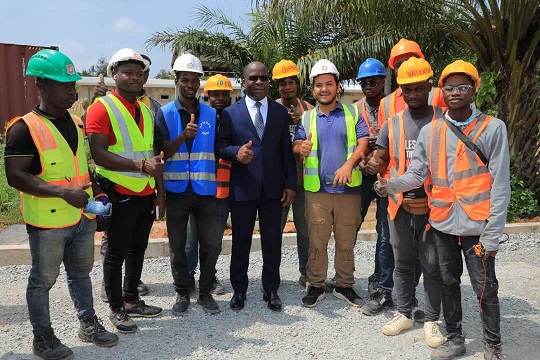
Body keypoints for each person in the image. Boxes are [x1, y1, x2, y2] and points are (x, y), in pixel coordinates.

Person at [376, 60, 509, 360]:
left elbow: (501, 185)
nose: (455, 92)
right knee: (448, 283)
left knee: (485, 288)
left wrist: (494, 234)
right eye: (449, 88)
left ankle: (493, 345)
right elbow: (417, 174)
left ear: (474, 90)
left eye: (463, 87)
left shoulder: (492, 128)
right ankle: (455, 338)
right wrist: (390, 186)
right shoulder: (432, 131)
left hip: (478, 226)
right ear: (442, 91)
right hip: (443, 223)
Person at [4, 49, 118, 359]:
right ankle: (42, 338)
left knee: (81, 274)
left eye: (72, 84)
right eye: (63, 85)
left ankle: (88, 325)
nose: (71, 90)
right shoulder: (23, 128)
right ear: (41, 85)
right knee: (42, 281)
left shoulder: (77, 122)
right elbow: (16, 176)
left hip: (82, 217)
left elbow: (82, 166)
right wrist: (62, 193)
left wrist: (99, 194)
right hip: (48, 223)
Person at [86, 48, 165, 333]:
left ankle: (132, 300)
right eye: (128, 72)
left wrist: (159, 192)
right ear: (114, 75)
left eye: (139, 73)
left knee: (138, 249)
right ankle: (116, 308)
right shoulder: (101, 107)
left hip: (144, 190)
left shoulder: (145, 109)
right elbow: (98, 153)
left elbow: (152, 153)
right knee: (116, 252)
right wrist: (139, 165)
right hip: (118, 190)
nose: (135, 77)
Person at [367, 57, 444, 348]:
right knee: (402, 265)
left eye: (418, 88)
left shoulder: (443, 119)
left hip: (434, 206)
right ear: (401, 90)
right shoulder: (393, 123)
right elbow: (382, 158)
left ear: (428, 86)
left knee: (432, 266)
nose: (413, 95)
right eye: (407, 90)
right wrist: (371, 164)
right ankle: (404, 313)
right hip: (400, 205)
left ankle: (433, 320)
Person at [216, 61, 296, 312]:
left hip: (273, 189)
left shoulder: (279, 112)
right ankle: (239, 290)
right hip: (243, 188)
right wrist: (236, 153)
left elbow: (285, 151)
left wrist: (290, 184)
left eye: (263, 77)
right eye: (253, 78)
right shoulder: (231, 113)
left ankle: (271, 289)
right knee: (241, 241)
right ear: (244, 82)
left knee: (272, 241)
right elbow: (220, 147)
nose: (259, 82)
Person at [293, 59, 370, 308]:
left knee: (346, 241)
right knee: (317, 240)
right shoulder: (306, 118)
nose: (323, 89)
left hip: (348, 190)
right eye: (318, 85)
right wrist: (299, 147)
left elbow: (363, 143)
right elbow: (297, 145)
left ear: (337, 86)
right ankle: (315, 284)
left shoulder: (352, 113)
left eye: (328, 84)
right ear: (313, 89)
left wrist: (349, 165)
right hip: (317, 192)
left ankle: (344, 285)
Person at [155, 53, 221, 315]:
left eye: (195, 80)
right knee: (179, 246)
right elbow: (161, 154)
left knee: (211, 244)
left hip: (205, 191)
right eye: (185, 80)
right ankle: (183, 292)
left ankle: (205, 292)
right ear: (176, 81)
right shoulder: (165, 113)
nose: (190, 85)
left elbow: (219, 148)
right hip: (177, 191)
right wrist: (183, 136)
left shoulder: (211, 114)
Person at [350, 58, 394, 315]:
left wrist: (380, 163)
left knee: (384, 231)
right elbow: (353, 140)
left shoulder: (393, 107)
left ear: (383, 82)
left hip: (387, 176)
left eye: (373, 81)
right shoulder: (355, 109)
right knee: (350, 225)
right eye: (364, 82)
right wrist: (365, 162)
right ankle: (345, 275)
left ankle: (380, 278)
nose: (369, 86)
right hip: (363, 174)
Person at [184, 74, 234, 296]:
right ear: (207, 95)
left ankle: (209, 276)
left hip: (222, 187)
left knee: (213, 240)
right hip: (196, 187)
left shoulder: (234, 119)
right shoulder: (199, 117)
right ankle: (187, 277)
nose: (220, 98)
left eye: (225, 94)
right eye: (216, 94)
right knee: (190, 238)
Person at [272, 59, 313, 288]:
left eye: (291, 82)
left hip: (304, 180)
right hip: (278, 182)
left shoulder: (309, 110)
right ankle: (273, 274)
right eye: (282, 83)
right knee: (274, 229)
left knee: (305, 230)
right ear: (277, 87)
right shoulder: (271, 109)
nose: (287, 87)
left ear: (298, 84)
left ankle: (306, 273)